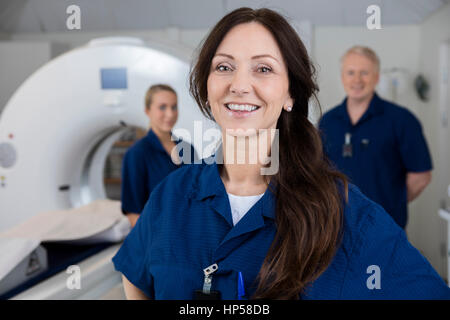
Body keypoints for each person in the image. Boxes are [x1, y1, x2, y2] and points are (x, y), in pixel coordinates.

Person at [112, 8, 449, 299]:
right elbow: (134, 273)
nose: (240, 85)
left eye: (263, 69)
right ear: (206, 86)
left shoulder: (344, 213)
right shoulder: (170, 196)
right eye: (225, 67)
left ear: (290, 94)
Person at [318, 46, 432, 229]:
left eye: (364, 73)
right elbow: (320, 171)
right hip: (336, 228)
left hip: (385, 228)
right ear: (342, 77)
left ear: (377, 77)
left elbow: (420, 176)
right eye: (350, 72)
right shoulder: (327, 121)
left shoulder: (401, 120)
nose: (357, 80)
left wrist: (393, 202)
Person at [121, 84, 197, 227]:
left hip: (189, 230)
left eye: (174, 107)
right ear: (147, 111)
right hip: (156, 235)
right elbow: (133, 214)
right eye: (162, 107)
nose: (170, 114)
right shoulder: (137, 154)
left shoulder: (188, 149)